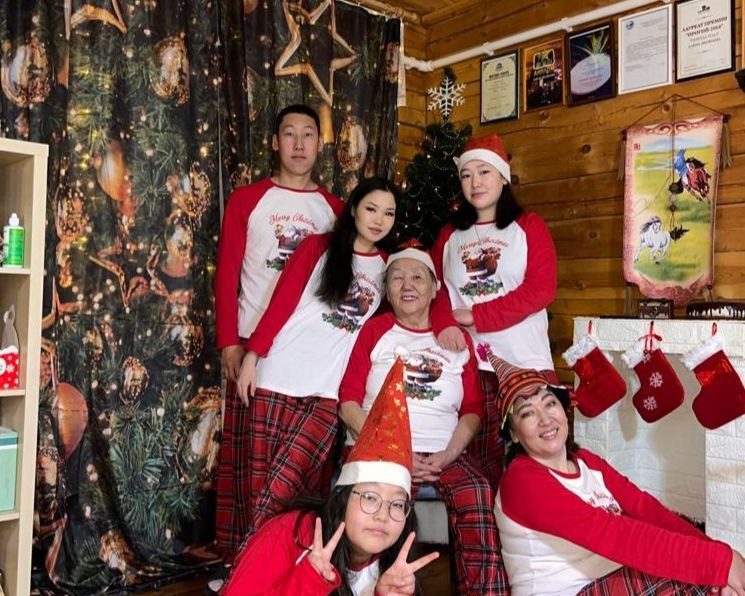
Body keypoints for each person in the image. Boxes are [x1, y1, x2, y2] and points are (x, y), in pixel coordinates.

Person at [483, 347, 745, 596]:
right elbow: (614, 534)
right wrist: (719, 563)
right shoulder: (521, 481)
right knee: (689, 575)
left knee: (708, 575)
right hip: (570, 591)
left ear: (563, 408)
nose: (545, 419)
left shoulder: (586, 461)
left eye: (550, 403)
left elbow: (645, 509)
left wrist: (720, 556)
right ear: (513, 433)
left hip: (611, 581)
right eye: (527, 414)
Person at [233, 177, 400, 537]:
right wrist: (252, 357)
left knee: (286, 491)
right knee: (261, 489)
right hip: (277, 378)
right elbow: (281, 304)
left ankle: (259, 563)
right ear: (353, 209)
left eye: (388, 214)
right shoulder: (317, 247)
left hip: (326, 393)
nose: (378, 220)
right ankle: (260, 565)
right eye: (371, 209)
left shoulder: (387, 267)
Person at [213, 104, 345, 560]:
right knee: (248, 467)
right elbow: (227, 274)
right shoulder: (248, 200)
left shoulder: (335, 210)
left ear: (320, 145)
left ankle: (296, 560)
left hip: (310, 359)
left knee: (303, 469)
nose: (299, 144)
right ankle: (241, 563)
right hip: (255, 350)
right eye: (289, 134)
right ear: (275, 142)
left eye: (308, 135)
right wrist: (230, 341)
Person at [339, 246, 508, 595]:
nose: (407, 285)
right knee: (377, 503)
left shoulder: (455, 341)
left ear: (434, 290)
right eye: (397, 278)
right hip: (380, 451)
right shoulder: (374, 331)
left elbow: (472, 409)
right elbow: (348, 402)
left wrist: (448, 455)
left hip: (444, 454)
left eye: (417, 277)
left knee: (477, 491)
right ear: (387, 292)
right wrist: (396, 451)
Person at [222, 357, 440, 595]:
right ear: (343, 499)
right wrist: (307, 583)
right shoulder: (289, 533)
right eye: (370, 497)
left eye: (397, 504)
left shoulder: (395, 569)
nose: (382, 516)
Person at [431, 132, 558, 493]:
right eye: (466, 175)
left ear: (503, 176)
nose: (475, 183)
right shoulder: (449, 236)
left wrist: (477, 315)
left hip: (523, 359)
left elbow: (541, 289)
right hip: (471, 365)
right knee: (484, 461)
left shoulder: (529, 226)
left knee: (537, 455)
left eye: (484, 172)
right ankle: (491, 527)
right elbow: (435, 291)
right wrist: (445, 324)